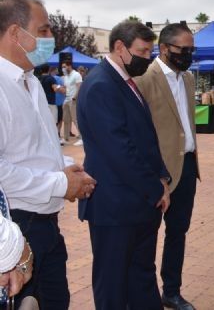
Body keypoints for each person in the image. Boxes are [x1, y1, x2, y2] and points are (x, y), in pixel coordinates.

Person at [0, 0, 96, 309]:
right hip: (17, 226)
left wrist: (69, 170)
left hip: (46, 222)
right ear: (15, 32)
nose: (50, 38)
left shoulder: (29, 82)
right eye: (43, 30)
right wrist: (60, 183)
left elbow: (41, 150)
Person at [77, 20, 171, 310]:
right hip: (115, 207)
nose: (148, 58)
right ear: (120, 48)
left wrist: (162, 178)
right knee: (113, 286)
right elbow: (120, 151)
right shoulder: (101, 85)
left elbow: (145, 139)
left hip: (137, 205)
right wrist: (156, 188)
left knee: (140, 278)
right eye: (143, 52)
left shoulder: (123, 82)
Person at [135, 22, 199, 310]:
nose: (188, 54)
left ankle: (171, 291)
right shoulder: (144, 78)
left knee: (178, 233)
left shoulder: (187, 79)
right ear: (164, 49)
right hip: (156, 171)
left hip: (186, 167)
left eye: (191, 50)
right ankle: (143, 295)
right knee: (147, 235)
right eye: (183, 49)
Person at [61, 60, 83, 145]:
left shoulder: (76, 75)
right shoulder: (66, 76)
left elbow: (79, 87)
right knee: (66, 120)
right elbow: (66, 88)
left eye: (64, 66)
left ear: (69, 66)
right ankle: (66, 138)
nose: (63, 68)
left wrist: (74, 97)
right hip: (66, 99)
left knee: (75, 119)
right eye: (62, 67)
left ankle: (82, 138)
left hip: (73, 100)